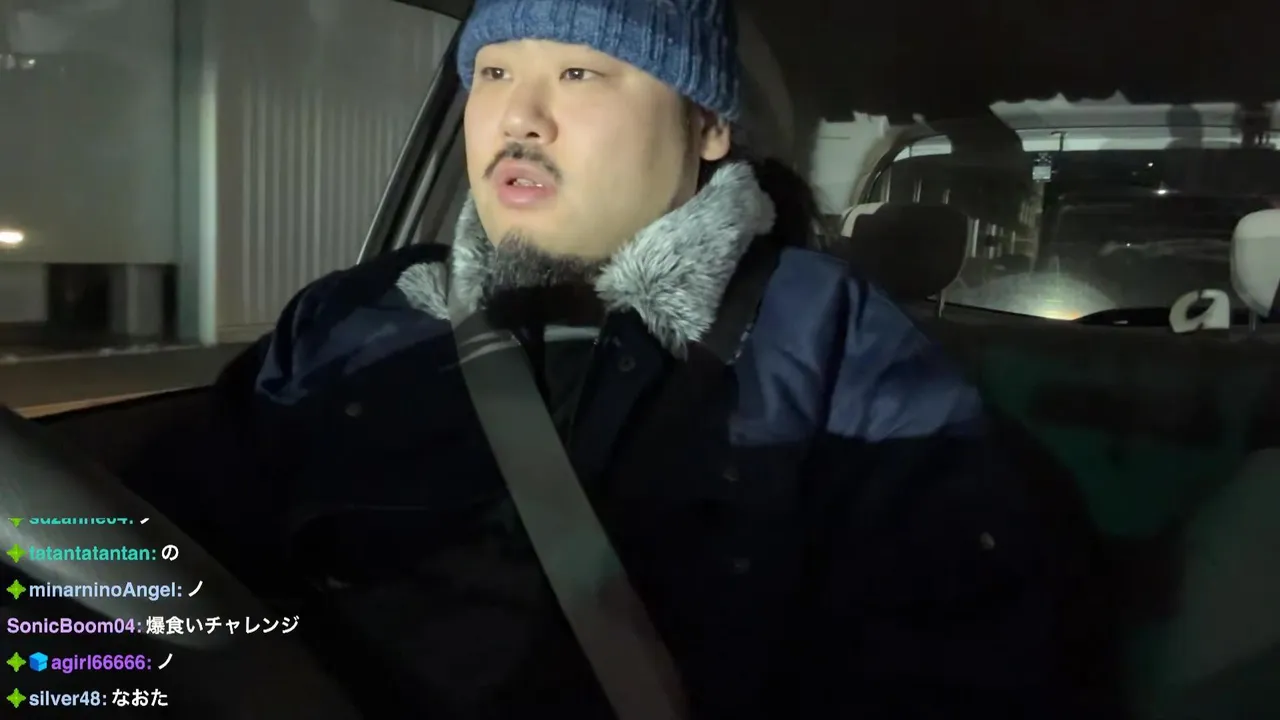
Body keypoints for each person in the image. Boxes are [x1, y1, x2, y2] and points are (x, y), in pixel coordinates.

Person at [125, 0, 1070, 716]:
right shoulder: (349, 322)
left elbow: (970, 657)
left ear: (707, 126)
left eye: (579, 72)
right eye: (493, 71)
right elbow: (127, 585)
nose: (519, 117)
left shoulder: (835, 345)